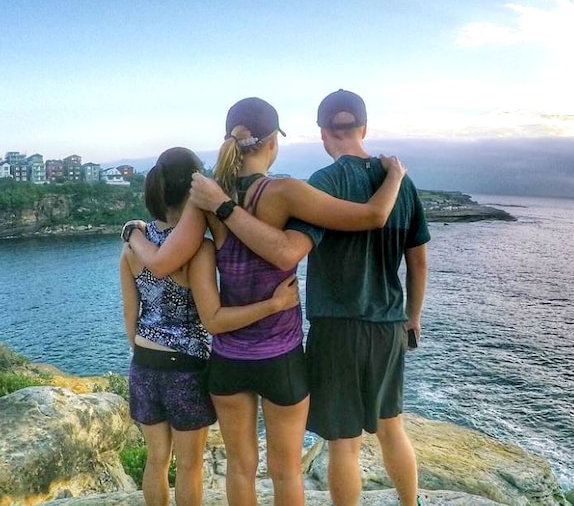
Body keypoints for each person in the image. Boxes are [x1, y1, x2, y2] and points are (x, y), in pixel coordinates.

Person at [125, 97, 406, 506]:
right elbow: (372, 216)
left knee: (240, 467)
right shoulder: (287, 192)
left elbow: (164, 263)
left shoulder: (208, 200)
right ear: (272, 142)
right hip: (281, 358)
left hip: (228, 360)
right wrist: (395, 176)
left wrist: (133, 232)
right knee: (286, 470)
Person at [288, 89, 430, 506]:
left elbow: (295, 249)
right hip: (388, 324)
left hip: (337, 329)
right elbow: (418, 263)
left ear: (323, 133)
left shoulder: (324, 183)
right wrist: (413, 316)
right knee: (392, 427)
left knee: (343, 444)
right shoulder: (400, 183)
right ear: (363, 128)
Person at [119, 147, 216, 506]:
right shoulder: (198, 250)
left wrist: (143, 351)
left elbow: (131, 316)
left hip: (144, 363)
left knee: (156, 461)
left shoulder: (133, 246)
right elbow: (209, 318)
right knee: (190, 466)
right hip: (186, 366)